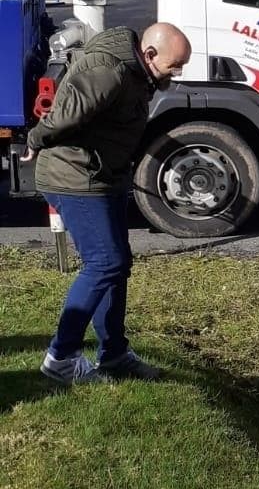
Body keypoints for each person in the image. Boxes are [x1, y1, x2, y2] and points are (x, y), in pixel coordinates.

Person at [22, 21, 192, 385]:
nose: (177, 74)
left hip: (105, 176)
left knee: (117, 265)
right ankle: (60, 359)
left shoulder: (137, 72)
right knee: (104, 263)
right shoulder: (109, 71)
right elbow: (65, 115)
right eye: (174, 66)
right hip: (74, 176)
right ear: (150, 54)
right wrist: (35, 139)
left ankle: (114, 354)